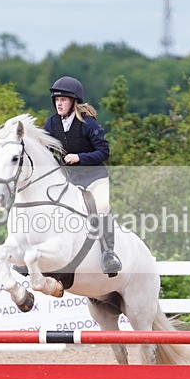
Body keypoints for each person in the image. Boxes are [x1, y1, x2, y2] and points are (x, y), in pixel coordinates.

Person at [45, 76, 122, 276]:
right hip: (69, 180)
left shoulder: (88, 123)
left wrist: (79, 157)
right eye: (57, 100)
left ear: (74, 102)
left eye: (63, 99)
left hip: (94, 177)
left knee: (102, 207)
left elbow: (104, 152)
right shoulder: (52, 123)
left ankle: (109, 254)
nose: (59, 103)